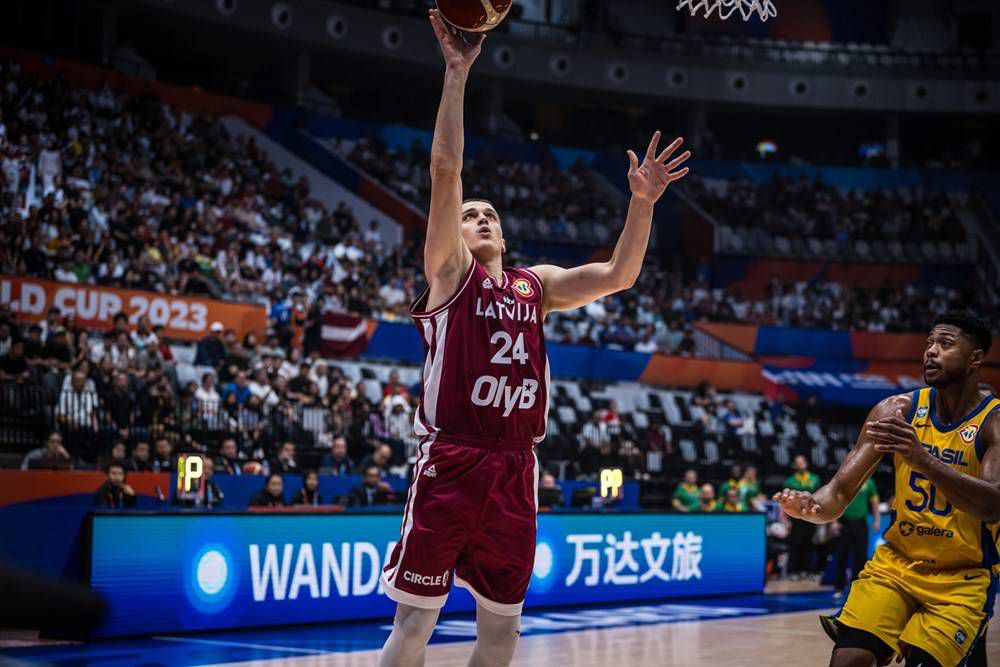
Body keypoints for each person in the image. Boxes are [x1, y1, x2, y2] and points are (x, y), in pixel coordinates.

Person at [377, 12, 690, 667]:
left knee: (501, 635)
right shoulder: (449, 276)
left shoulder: (534, 284)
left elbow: (618, 275)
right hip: (452, 463)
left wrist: (642, 203)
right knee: (414, 627)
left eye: (490, 214)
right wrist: (457, 74)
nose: (481, 217)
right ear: (451, 234)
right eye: (471, 215)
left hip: (517, 468)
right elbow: (444, 169)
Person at [775, 314, 1000, 667]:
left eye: (945, 343)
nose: (931, 351)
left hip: (962, 577)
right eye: (929, 342)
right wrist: (810, 507)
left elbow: (994, 505)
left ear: (975, 358)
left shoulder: (993, 423)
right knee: (848, 659)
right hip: (896, 565)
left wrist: (924, 461)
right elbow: (837, 493)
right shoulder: (897, 411)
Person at [832, 477, 880, 601]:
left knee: (860, 556)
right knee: (841, 555)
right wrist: (834, 521)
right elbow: (835, 500)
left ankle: (857, 588)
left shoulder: (869, 482)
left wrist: (877, 519)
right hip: (844, 523)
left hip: (861, 523)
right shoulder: (845, 480)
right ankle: (839, 588)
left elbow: (874, 502)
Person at [784, 455, 822, 578]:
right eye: (797, 463)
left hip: (810, 517)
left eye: (802, 462)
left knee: (810, 542)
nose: (800, 465)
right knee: (796, 543)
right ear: (795, 465)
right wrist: (786, 520)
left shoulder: (815, 479)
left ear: (806, 463)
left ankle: (809, 571)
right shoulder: (790, 481)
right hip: (796, 517)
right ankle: (793, 571)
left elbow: (819, 498)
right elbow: (785, 502)